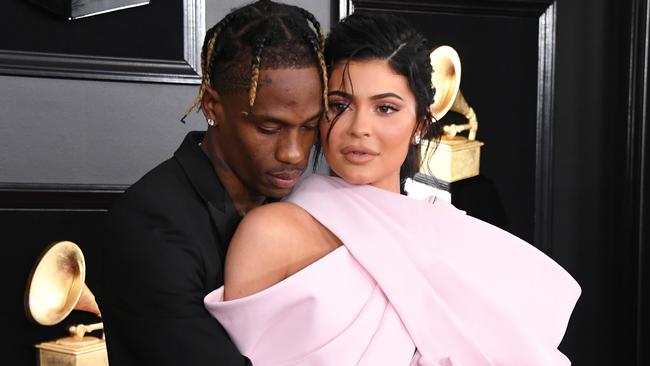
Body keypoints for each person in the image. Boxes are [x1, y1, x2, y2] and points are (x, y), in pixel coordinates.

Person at [203, 12, 581, 365]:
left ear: (420, 124)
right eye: (340, 104)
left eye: (385, 108)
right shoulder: (271, 233)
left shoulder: (447, 233)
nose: (359, 128)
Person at [98, 1, 327, 365]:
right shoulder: (148, 228)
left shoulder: (308, 206)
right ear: (212, 105)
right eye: (269, 128)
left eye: (310, 126)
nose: (294, 153)